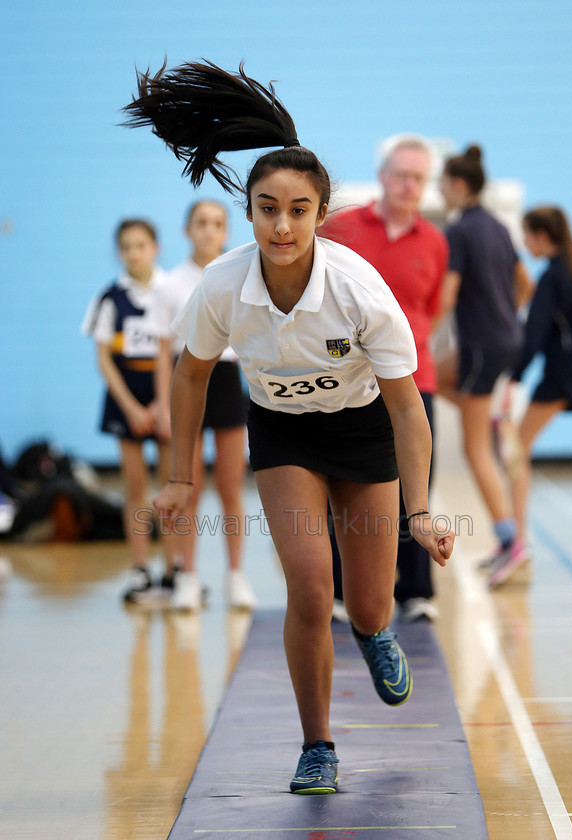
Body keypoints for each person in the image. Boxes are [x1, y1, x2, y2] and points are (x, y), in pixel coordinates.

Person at [123, 58, 454, 795]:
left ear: (319, 214)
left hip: (363, 431)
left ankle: (373, 634)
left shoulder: (356, 288)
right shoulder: (222, 286)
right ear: (249, 212)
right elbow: (190, 373)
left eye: (297, 209)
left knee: (367, 603)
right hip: (284, 435)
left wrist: (421, 510)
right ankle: (317, 747)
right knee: (310, 590)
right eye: (267, 207)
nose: (281, 224)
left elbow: (405, 404)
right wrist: (182, 477)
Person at [320, 134, 449, 622]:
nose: (409, 184)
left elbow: (431, 309)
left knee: (417, 487)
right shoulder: (341, 228)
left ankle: (416, 591)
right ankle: (338, 590)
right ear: (383, 176)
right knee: (345, 488)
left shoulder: (435, 242)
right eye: (402, 174)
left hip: (415, 380)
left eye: (418, 177)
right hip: (350, 378)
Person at [152, 200, 256, 610]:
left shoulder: (240, 276)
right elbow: (163, 353)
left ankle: (235, 576)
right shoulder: (171, 284)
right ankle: (188, 577)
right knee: (188, 487)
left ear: (226, 229)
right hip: (187, 379)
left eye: (217, 224)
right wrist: (163, 405)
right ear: (186, 230)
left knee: (231, 486)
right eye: (201, 223)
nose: (209, 231)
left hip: (228, 379)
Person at [438, 145, 533, 581]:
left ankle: (511, 541)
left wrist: (416, 333)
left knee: (474, 448)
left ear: (458, 185)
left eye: (442, 183)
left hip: (480, 345)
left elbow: (448, 294)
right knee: (428, 377)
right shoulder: (498, 226)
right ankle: (492, 416)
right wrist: (505, 315)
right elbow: (525, 285)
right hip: (507, 340)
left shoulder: (459, 230)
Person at [502, 206, 572, 586]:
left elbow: (534, 335)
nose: (526, 245)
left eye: (528, 236)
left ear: (543, 237)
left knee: (516, 451)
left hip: (564, 376)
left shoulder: (551, 278)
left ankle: (518, 543)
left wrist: (513, 379)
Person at [82, 219, 174, 604]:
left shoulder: (171, 292)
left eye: (141, 244)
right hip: (126, 400)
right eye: (127, 246)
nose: (134, 252)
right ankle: (140, 570)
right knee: (135, 487)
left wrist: (163, 403)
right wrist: (133, 408)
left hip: (165, 397)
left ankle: (174, 570)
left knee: (171, 488)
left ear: (156, 248)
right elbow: (103, 359)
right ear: (119, 253)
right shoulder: (109, 299)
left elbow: (178, 349)